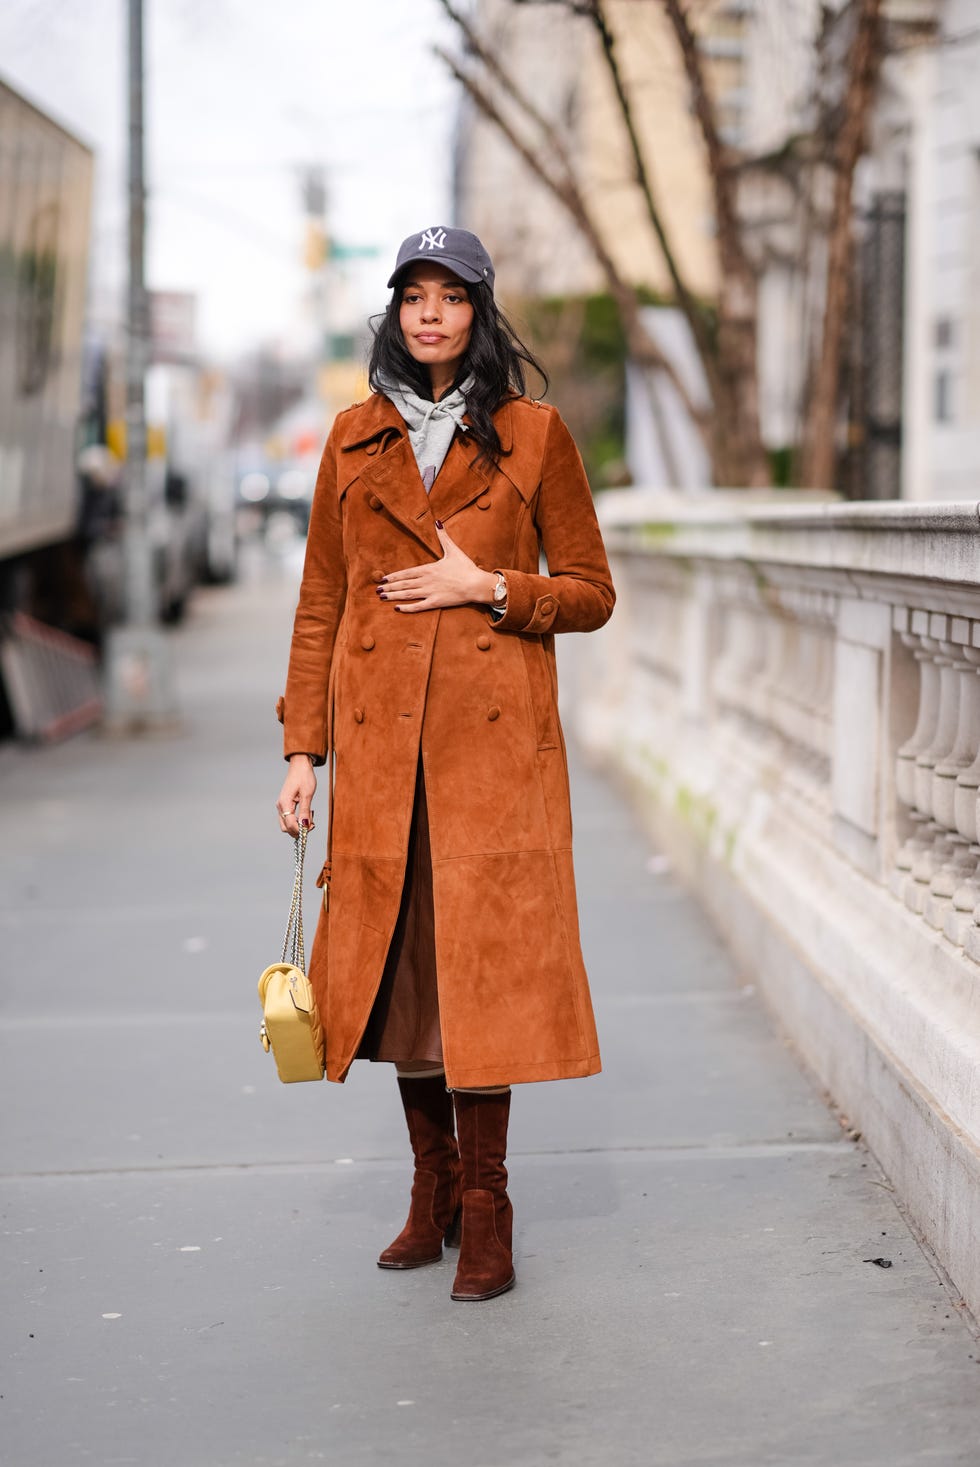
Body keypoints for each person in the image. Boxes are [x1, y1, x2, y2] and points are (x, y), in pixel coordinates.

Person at [275, 226, 615, 1302]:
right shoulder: (349, 438)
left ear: (478, 312)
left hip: (491, 755)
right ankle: (432, 1190)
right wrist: (301, 750)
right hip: (381, 755)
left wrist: (491, 589)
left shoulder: (533, 434)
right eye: (412, 296)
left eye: (450, 296)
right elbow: (320, 602)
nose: (430, 314)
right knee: (404, 983)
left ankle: (489, 1207)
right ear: (394, 313)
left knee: (488, 977)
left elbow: (593, 593)